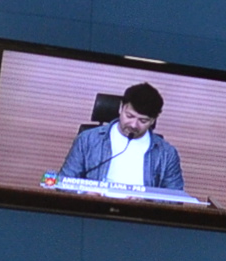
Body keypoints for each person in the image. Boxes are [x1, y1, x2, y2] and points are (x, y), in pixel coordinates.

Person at [57, 82, 186, 191]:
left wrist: (146, 201)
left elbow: (175, 198)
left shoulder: (167, 154)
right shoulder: (88, 140)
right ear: (121, 108)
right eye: (129, 116)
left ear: (153, 120)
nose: (134, 125)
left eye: (143, 121)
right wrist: (84, 194)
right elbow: (63, 183)